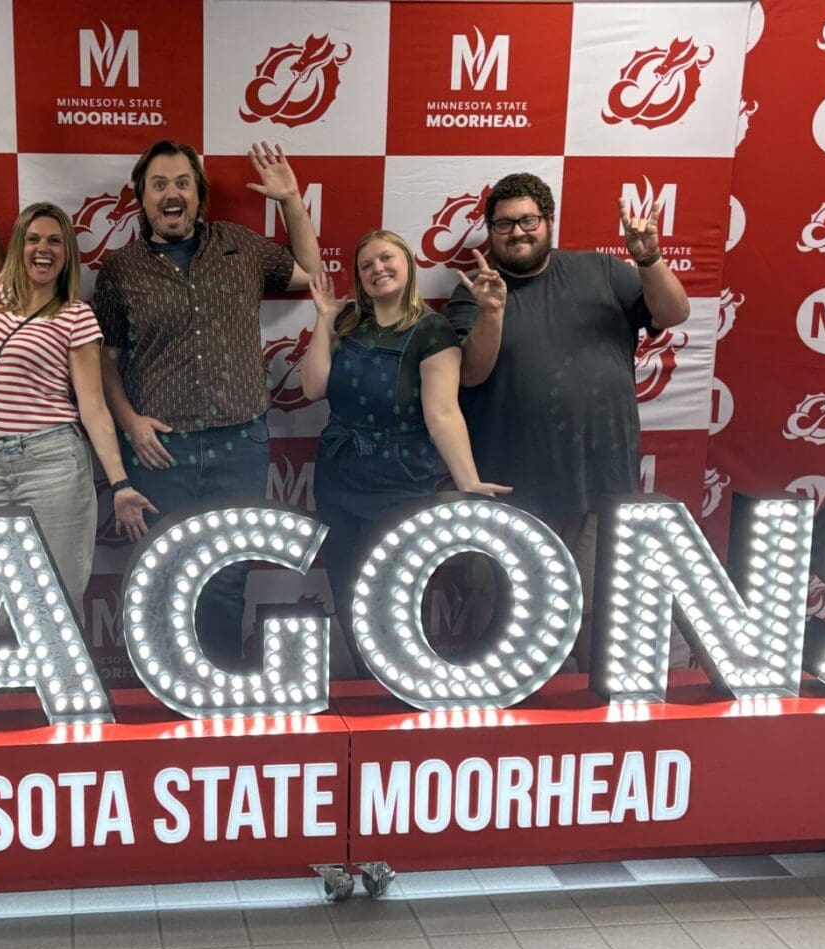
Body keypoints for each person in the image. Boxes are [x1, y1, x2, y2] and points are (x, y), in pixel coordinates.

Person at [448, 172, 692, 669]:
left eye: (528, 221)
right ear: (490, 232)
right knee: (508, 639)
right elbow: (471, 373)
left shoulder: (603, 271)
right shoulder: (474, 293)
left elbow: (674, 312)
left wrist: (648, 258)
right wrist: (491, 312)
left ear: (549, 221)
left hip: (598, 487)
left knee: (596, 633)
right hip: (511, 498)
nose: (517, 233)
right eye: (503, 224)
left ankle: (580, 740)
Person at [93, 138, 322, 665]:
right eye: (158, 184)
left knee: (227, 576)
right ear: (142, 198)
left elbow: (311, 275)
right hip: (159, 451)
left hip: (239, 445)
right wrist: (129, 423)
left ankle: (218, 694)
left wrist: (289, 199)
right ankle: (166, 695)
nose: (171, 193)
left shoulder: (241, 246)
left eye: (181, 183)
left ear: (198, 194)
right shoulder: (121, 270)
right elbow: (104, 361)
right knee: (159, 574)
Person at [0, 52, 154, 605]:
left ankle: (66, 695)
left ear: (67, 256)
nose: (42, 248)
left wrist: (121, 481)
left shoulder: (75, 316)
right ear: (18, 247)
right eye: (33, 239)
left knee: (54, 598)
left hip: (52, 461)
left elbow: (92, 407)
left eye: (55, 241)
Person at [299, 231, 510, 671]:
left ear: (408, 263)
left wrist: (467, 480)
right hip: (339, 478)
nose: (378, 269)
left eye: (386, 258)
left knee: (392, 600)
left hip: (402, 483)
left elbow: (443, 413)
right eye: (366, 265)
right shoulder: (348, 323)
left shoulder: (432, 330)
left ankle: (401, 690)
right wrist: (322, 319)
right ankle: (368, 686)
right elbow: (313, 386)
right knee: (346, 591)